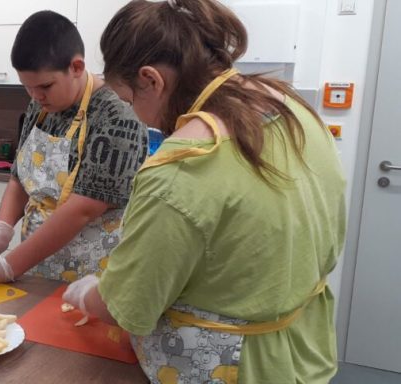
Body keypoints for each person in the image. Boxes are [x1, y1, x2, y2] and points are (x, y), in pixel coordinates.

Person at [62, 0, 347, 382]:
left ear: (151, 80)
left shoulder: (182, 168)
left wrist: (91, 294)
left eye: (129, 101)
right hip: (302, 350)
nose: (136, 115)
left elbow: (129, 307)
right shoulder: (293, 108)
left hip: (231, 366)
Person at [0, 10, 147, 284]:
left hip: (92, 277)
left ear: (76, 67)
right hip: (36, 265)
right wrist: (2, 227)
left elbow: (84, 208)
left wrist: (8, 266)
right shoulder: (41, 105)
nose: (36, 96)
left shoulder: (116, 115)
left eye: (45, 86)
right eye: (27, 87)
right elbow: (19, 178)